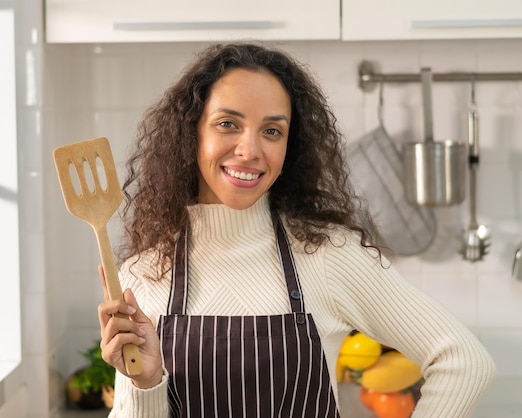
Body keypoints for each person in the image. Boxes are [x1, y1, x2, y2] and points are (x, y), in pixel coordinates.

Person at [97, 42, 495, 418]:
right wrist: (144, 383)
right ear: (192, 134)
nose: (250, 150)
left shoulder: (326, 255)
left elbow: (463, 361)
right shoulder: (144, 273)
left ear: (290, 148)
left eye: (272, 131)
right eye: (227, 124)